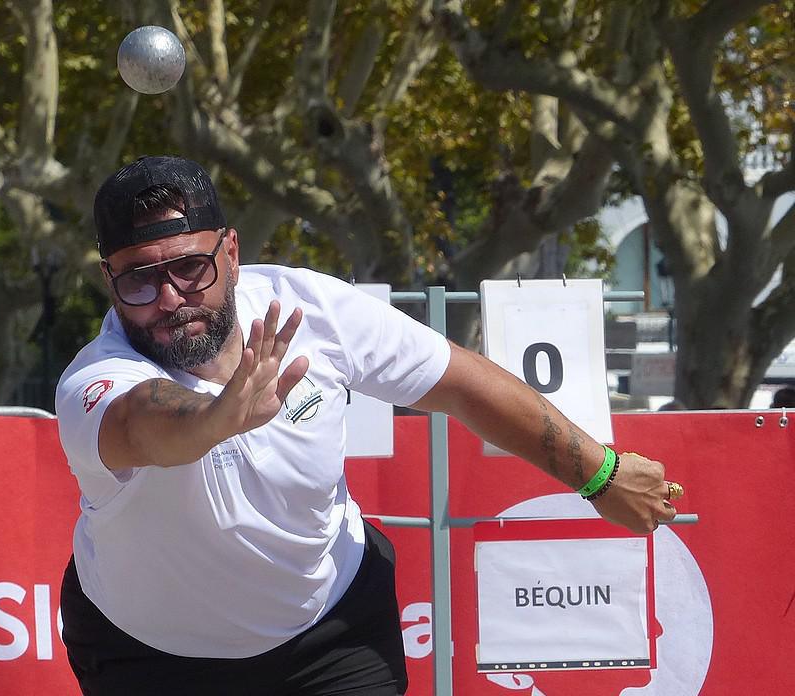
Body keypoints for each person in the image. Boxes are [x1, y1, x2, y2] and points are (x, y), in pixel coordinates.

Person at [55, 155, 682, 696]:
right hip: (152, 657)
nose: (169, 298)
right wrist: (218, 418)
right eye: (138, 278)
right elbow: (147, 426)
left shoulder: (312, 308)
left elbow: (463, 384)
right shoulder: (96, 381)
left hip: (331, 633)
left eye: (190, 267)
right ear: (110, 281)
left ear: (232, 252)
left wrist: (599, 473)